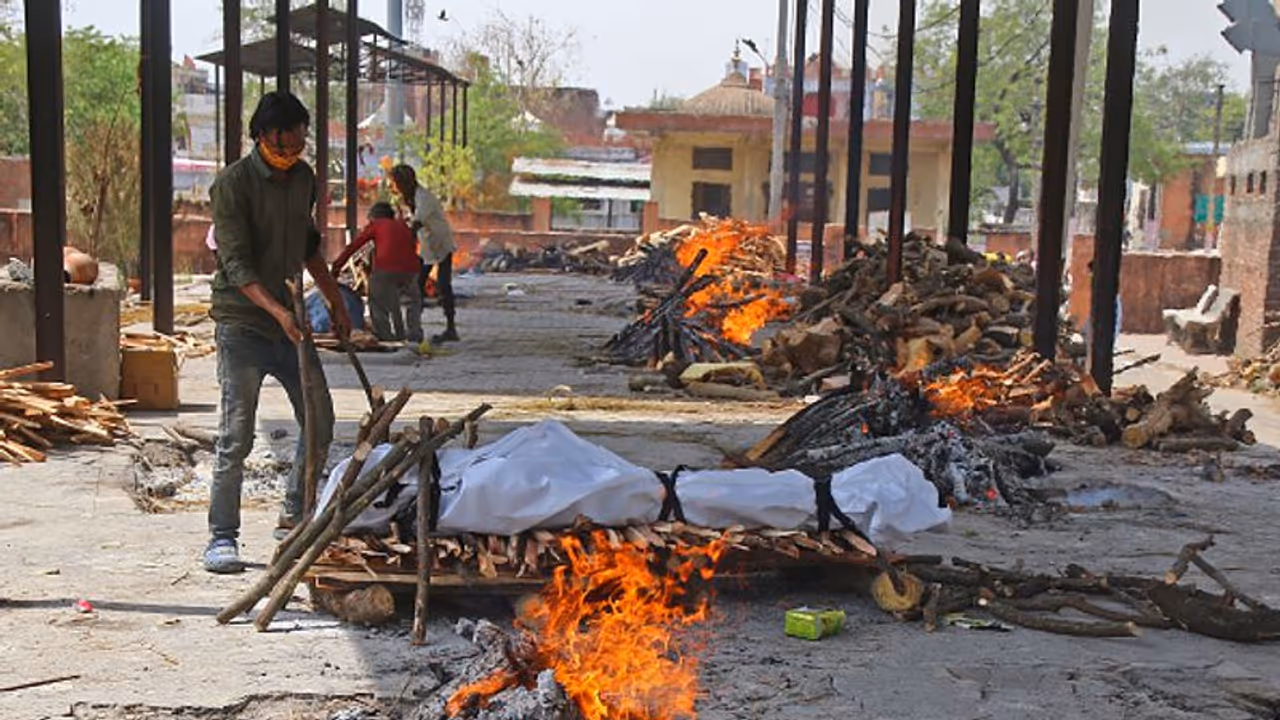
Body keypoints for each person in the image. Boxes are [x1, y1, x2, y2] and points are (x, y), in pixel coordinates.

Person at [204, 91, 352, 574]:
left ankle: (294, 513)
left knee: (321, 421)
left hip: (291, 322)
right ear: (267, 134)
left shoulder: (304, 178)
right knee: (236, 436)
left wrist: (334, 300)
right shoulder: (232, 185)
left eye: (305, 133)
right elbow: (236, 264)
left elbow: (308, 245)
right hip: (243, 325)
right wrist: (276, 312)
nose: (302, 142)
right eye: (295, 133)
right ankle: (222, 537)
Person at [330, 202, 422, 342]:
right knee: (412, 302)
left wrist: (336, 268)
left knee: (377, 302)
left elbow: (354, 246)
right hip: (411, 270)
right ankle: (414, 334)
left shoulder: (377, 225)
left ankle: (386, 337)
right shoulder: (403, 225)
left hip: (386, 268)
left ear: (373, 217)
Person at [389, 164, 460, 343]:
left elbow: (416, 223)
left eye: (395, 182)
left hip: (440, 243)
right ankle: (414, 328)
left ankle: (451, 329)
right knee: (418, 286)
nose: (393, 186)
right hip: (428, 246)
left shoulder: (423, 198)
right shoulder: (409, 198)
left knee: (443, 285)